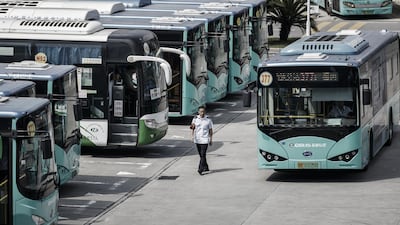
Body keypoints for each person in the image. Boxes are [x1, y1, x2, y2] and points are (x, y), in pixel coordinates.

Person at [190, 106, 213, 175]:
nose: (202, 113)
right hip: (197, 139)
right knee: (201, 155)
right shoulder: (195, 119)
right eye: (201, 111)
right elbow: (193, 128)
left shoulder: (208, 120)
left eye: (203, 111)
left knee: (203, 154)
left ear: (205, 112)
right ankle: (206, 167)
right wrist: (192, 136)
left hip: (205, 139)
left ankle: (200, 169)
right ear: (198, 112)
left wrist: (211, 139)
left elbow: (210, 130)